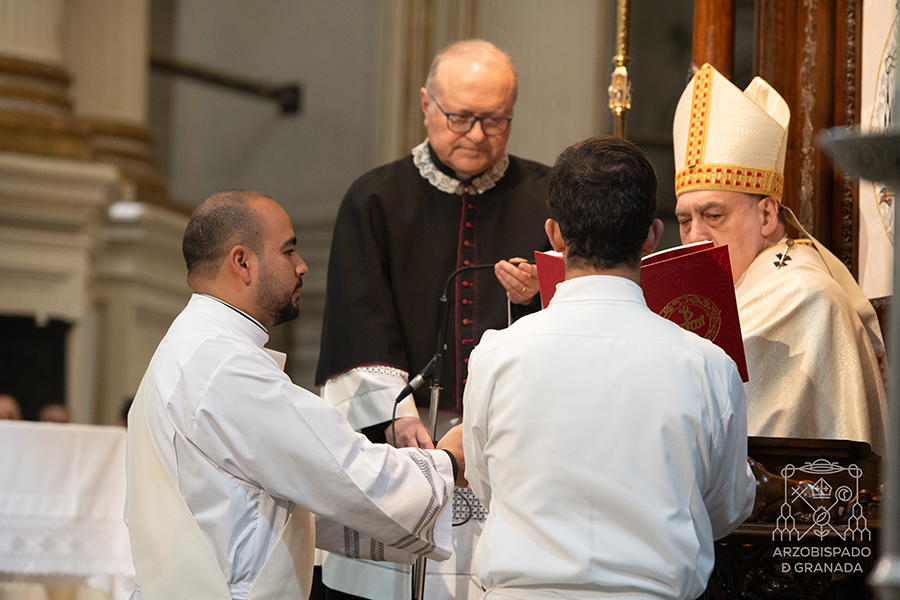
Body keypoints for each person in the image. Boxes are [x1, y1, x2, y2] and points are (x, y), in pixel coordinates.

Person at [125, 190, 464, 600]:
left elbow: (287, 494)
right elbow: (340, 469)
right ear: (242, 262)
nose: (302, 265)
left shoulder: (190, 345)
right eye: (288, 251)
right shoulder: (225, 364)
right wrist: (448, 463)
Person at [461, 135, 756, 600]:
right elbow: (726, 508)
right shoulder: (708, 365)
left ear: (555, 235)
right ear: (653, 236)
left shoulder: (495, 355)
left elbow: (486, 485)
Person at [315, 39, 551, 599]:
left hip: (508, 448)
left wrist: (543, 291)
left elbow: (581, 318)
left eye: (495, 120)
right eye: (460, 117)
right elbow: (357, 318)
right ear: (426, 105)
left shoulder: (549, 198)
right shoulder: (374, 198)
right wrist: (395, 413)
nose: (477, 134)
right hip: (403, 443)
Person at [672, 63, 888, 456]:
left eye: (713, 215)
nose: (696, 235)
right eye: (685, 220)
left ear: (767, 216)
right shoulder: (727, 286)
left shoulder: (806, 294)